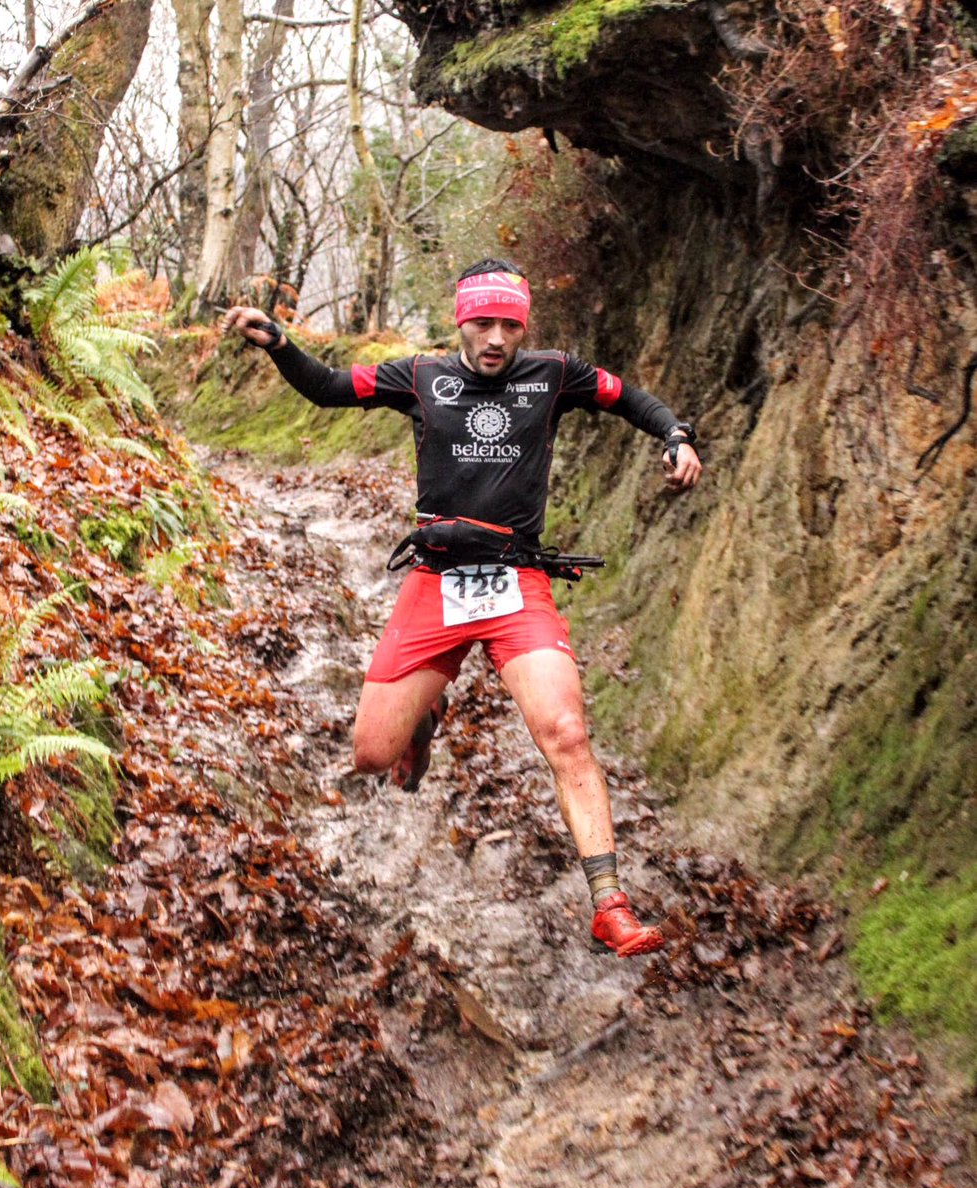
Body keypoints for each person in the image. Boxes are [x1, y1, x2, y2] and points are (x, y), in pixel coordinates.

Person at [221, 259, 702, 958]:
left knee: (566, 733)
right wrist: (279, 343)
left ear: (523, 326)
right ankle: (423, 719)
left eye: (510, 324)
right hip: (436, 581)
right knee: (372, 754)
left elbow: (628, 397)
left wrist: (675, 436)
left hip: (516, 582)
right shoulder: (418, 376)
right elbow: (328, 388)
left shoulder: (553, 374)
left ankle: (610, 905)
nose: (496, 338)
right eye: (483, 322)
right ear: (461, 320)